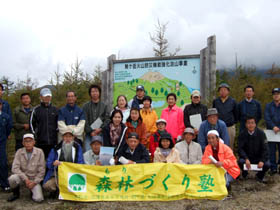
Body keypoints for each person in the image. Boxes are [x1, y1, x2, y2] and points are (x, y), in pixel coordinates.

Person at [43, 129, 84, 197]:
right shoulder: (56, 148)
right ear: (62, 137)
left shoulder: (78, 147)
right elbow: (48, 163)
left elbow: (81, 162)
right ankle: (56, 190)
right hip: (58, 174)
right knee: (47, 185)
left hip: (73, 174)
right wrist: (53, 163)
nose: (68, 139)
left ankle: (65, 191)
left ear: (73, 137)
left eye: (70, 137)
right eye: (66, 136)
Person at [7, 134, 45, 202]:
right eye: (26, 141)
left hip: (34, 179)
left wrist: (34, 182)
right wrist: (25, 179)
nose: (28, 143)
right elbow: (14, 168)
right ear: (23, 143)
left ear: (34, 142)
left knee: (38, 199)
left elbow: (42, 171)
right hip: (22, 178)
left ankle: (32, 191)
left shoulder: (40, 152)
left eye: (30, 141)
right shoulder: (19, 152)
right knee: (12, 178)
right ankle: (16, 194)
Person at [238, 116, 270, 182]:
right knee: (240, 161)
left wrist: (262, 160)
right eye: (249, 123)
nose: (250, 125)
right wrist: (246, 158)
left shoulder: (261, 133)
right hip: (248, 159)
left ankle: (259, 176)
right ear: (246, 125)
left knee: (267, 164)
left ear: (255, 124)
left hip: (258, 158)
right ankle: (245, 174)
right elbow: (240, 149)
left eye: (252, 123)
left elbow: (265, 149)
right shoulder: (242, 134)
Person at [30, 88, 58, 158]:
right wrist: (35, 136)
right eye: (45, 96)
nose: (47, 98)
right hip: (40, 142)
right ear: (41, 97)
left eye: (48, 96)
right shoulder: (36, 110)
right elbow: (32, 124)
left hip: (53, 141)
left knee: (52, 161)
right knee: (40, 162)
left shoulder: (55, 109)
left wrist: (56, 134)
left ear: (51, 97)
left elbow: (58, 124)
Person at [83, 84, 110, 152]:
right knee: (88, 152)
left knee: (101, 154)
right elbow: (84, 120)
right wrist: (91, 131)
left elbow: (107, 119)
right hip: (89, 134)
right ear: (90, 93)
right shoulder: (85, 106)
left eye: (96, 91)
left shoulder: (104, 106)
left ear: (99, 93)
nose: (95, 93)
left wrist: (100, 129)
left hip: (101, 133)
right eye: (93, 91)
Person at [213, 83, 238, 150]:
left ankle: (229, 160)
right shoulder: (216, 101)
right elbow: (214, 113)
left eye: (225, 90)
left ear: (228, 91)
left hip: (229, 127)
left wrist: (232, 122)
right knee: (217, 145)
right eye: (221, 90)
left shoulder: (233, 101)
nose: (223, 91)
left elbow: (236, 114)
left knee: (229, 146)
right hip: (218, 127)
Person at [264, 88, 280, 174]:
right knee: (271, 150)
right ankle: (273, 167)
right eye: (274, 94)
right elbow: (267, 118)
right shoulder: (268, 106)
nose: (276, 95)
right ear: (272, 95)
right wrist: (273, 127)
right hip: (271, 131)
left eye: (278, 93)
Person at [0, 99, 13, 191]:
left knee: (3, 163)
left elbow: (8, 128)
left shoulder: (5, 116)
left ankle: (4, 183)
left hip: (2, 142)